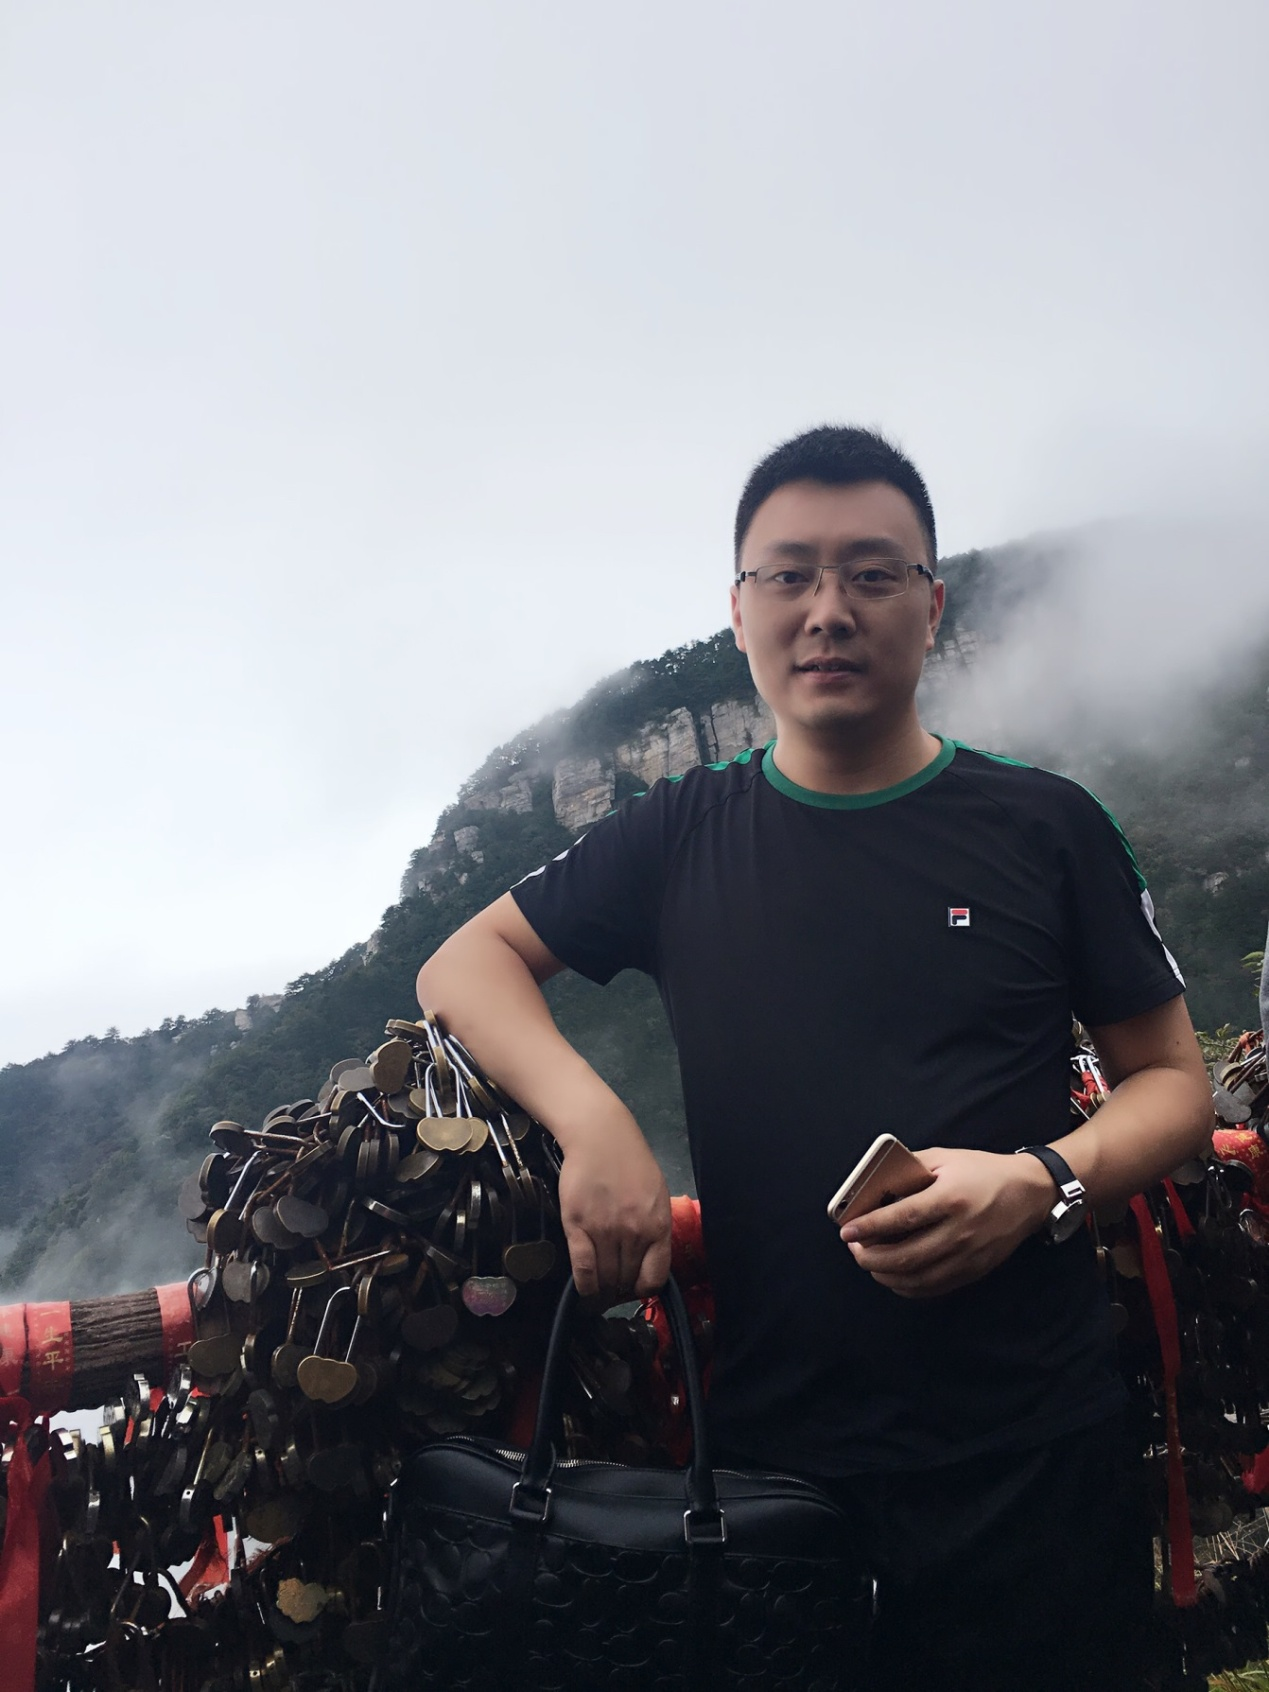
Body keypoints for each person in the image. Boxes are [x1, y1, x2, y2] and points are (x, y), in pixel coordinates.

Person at [415, 426, 1213, 1692]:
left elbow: (1174, 1083)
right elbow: (466, 964)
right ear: (739, 612)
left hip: (1034, 1457)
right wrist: (596, 1122)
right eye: (788, 575)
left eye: (873, 574)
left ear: (932, 608)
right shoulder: (679, 833)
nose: (828, 610)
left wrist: (1038, 1182)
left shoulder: (1046, 826)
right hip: (776, 1473)